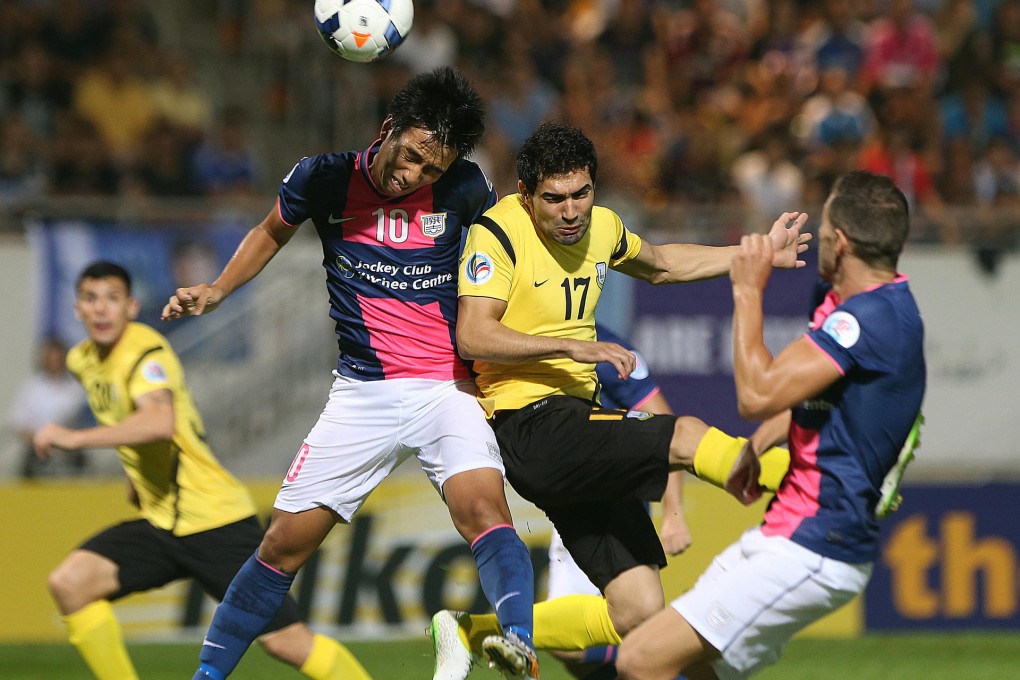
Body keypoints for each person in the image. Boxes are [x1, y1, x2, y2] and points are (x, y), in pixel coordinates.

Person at [161, 67, 538, 680]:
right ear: (389, 128)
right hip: (362, 392)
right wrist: (217, 290)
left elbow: (503, 265)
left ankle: (518, 642)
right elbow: (269, 231)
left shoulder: (469, 187)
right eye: (412, 155)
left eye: (431, 169)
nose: (414, 174)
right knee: (282, 545)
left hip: (448, 386)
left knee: (484, 509)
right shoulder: (324, 177)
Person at [446, 121, 810, 677]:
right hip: (531, 425)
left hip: (576, 424)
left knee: (639, 607)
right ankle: (811, 478)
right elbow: (473, 334)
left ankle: (477, 631)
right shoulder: (497, 234)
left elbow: (663, 265)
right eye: (555, 199)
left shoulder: (602, 228)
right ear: (526, 195)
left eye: (582, 195)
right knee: (683, 433)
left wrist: (750, 257)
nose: (571, 212)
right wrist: (568, 347)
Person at [614, 170, 926, 680]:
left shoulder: (869, 320)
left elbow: (756, 394)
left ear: (841, 242)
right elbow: (803, 393)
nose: (819, 236)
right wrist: (759, 445)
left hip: (817, 545)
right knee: (697, 669)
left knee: (639, 659)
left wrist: (748, 289)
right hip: (793, 532)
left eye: (824, 230)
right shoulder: (849, 301)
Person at [33, 261, 367, 680]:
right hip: (161, 522)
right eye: (91, 299)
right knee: (71, 584)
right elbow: (138, 425)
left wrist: (74, 437)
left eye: (112, 299)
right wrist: (137, 477)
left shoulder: (145, 353)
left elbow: (159, 422)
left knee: (286, 641)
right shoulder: (82, 360)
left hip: (215, 520)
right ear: (77, 308)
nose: (101, 309)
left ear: (131, 307)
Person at [547, 323, 691, 680]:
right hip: (569, 503)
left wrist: (673, 513)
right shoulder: (530, 336)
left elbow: (668, 427)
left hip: (613, 502)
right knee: (578, 653)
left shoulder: (602, 347)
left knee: (578, 644)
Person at [8, 336, 87, 478]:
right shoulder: (31, 387)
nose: (54, 362)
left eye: (57, 357)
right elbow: (18, 421)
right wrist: (39, 439)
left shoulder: (77, 389)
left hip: (71, 452)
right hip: (36, 452)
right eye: (50, 357)